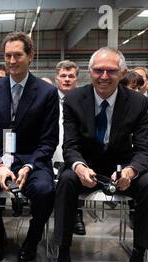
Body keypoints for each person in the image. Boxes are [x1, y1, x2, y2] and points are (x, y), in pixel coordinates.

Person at [48, 47, 148, 262]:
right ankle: (63, 259)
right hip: (85, 165)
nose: (104, 76)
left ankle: (138, 261)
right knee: (65, 180)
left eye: (111, 70)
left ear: (121, 73)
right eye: (98, 70)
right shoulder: (75, 99)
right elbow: (70, 146)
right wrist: (79, 166)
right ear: (90, 72)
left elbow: (144, 151)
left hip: (121, 169)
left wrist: (131, 172)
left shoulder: (138, 102)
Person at [0, 31, 59, 262]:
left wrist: (29, 165)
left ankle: (32, 239)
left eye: (17, 55)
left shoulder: (47, 92)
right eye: (8, 55)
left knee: (46, 191)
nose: (11, 61)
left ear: (31, 56)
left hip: (32, 158)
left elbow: (49, 139)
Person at [53, 60, 86, 236]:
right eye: (63, 76)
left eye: (71, 76)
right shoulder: (47, 98)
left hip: (76, 149)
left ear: (76, 79)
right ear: (56, 78)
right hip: (53, 148)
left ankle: (77, 216)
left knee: (76, 176)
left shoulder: (84, 100)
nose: (67, 79)